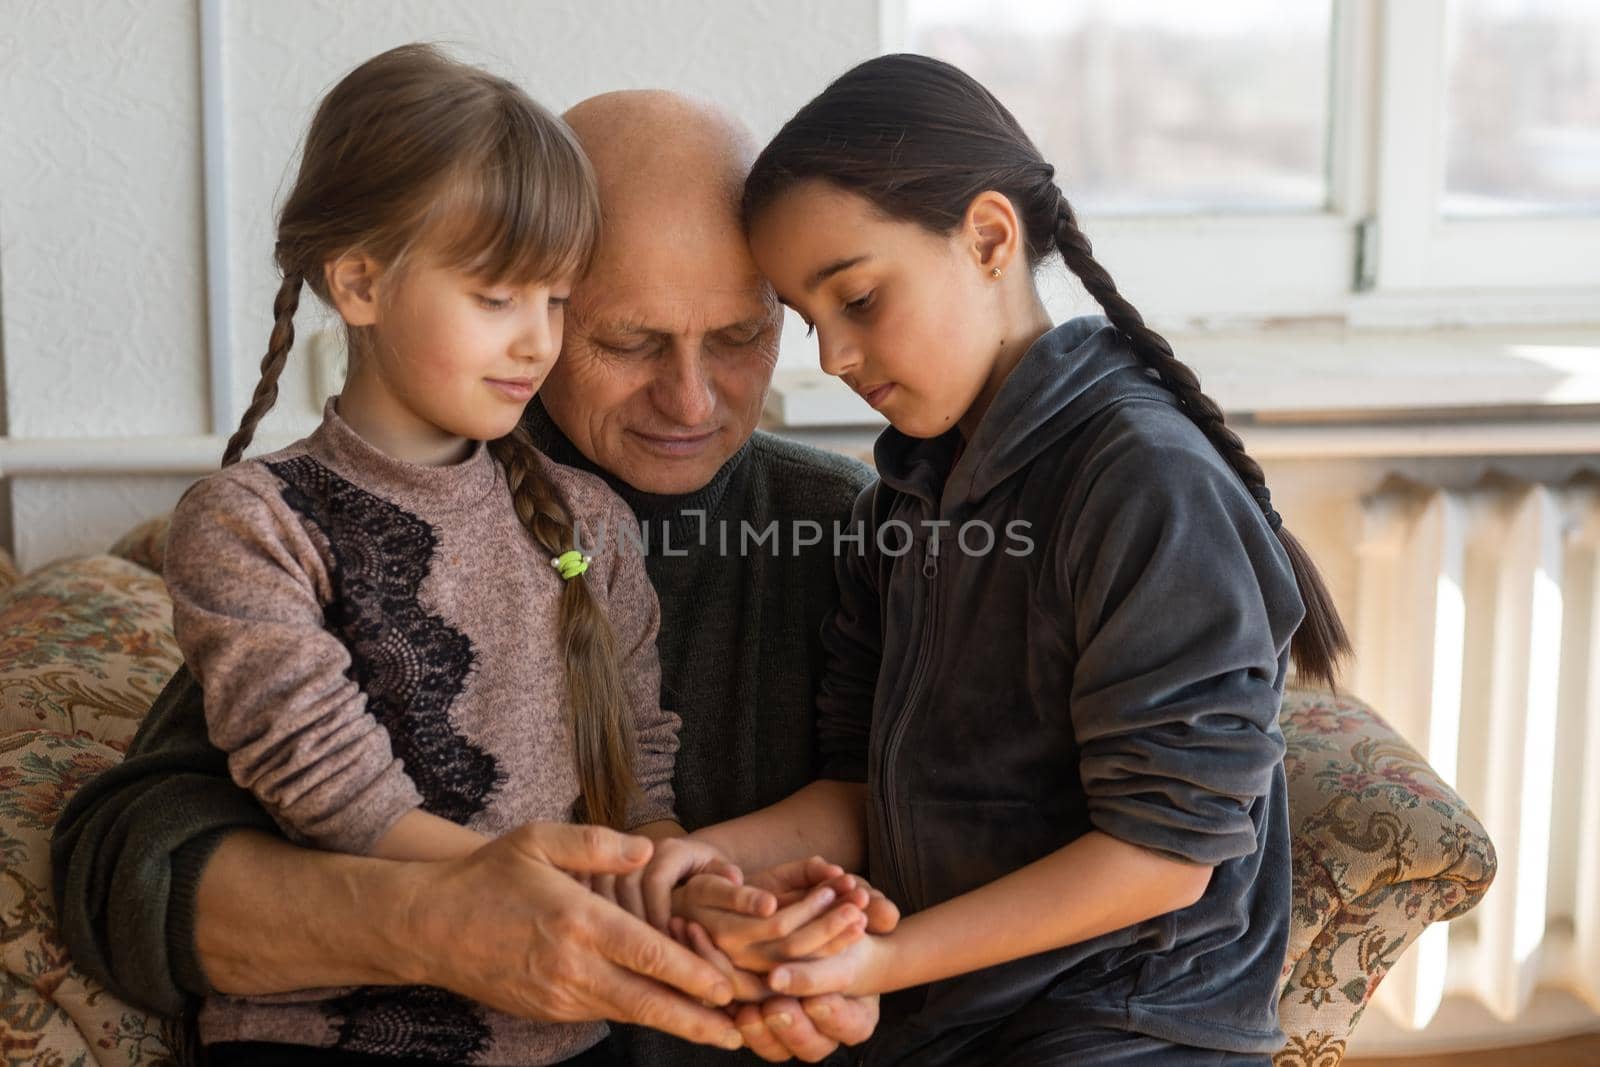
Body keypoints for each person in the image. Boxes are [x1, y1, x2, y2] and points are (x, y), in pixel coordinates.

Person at [52, 82, 880, 1064]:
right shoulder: (365, 509)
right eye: (627, 339)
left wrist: (743, 911)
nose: (690, 397)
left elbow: (949, 808)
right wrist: (441, 915)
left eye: (742, 338)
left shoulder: (844, 524)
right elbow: (129, 863)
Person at [662, 53, 1352, 1065]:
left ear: (988, 236)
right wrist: (693, 859)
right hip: (953, 1016)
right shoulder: (903, 494)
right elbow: (858, 791)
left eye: (857, 299)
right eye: (810, 323)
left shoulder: (1144, 481)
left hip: (1129, 1021)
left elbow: (1162, 857)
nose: (834, 361)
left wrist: (877, 967)